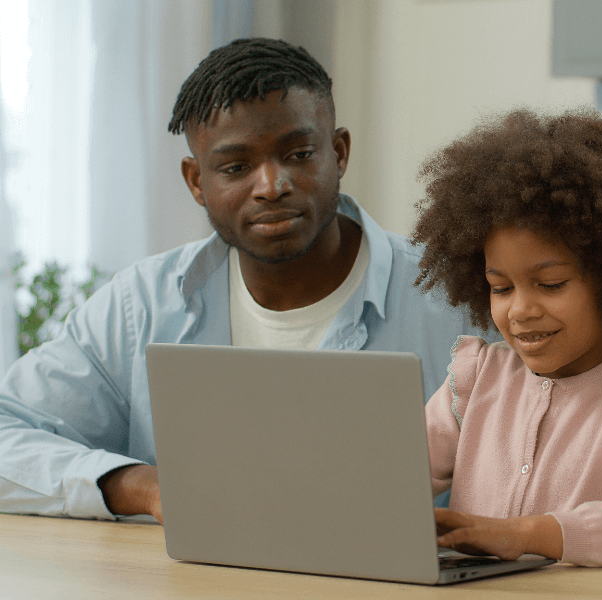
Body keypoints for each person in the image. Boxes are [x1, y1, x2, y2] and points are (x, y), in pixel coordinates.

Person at [0, 38, 475, 523]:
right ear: (196, 182)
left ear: (339, 153)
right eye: (236, 167)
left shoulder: (461, 297)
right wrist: (141, 486)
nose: (272, 186)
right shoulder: (139, 307)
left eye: (299, 154)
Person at [409, 109, 602, 567]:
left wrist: (530, 534)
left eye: (551, 284)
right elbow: (389, 480)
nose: (520, 310)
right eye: (501, 288)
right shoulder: (476, 377)